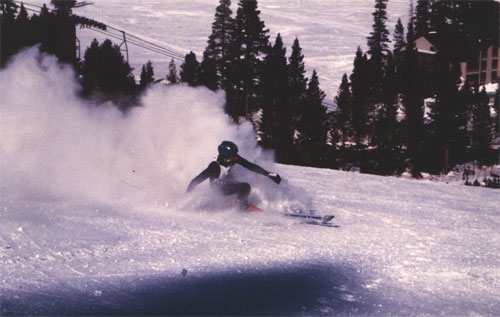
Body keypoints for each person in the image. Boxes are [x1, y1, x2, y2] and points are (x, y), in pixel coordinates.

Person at [187, 141, 281, 210]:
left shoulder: (233, 158)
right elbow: (198, 179)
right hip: (218, 188)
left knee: (236, 179)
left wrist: (268, 174)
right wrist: (186, 196)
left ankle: (236, 203)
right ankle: (241, 206)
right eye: (232, 155)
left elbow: (250, 166)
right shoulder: (214, 166)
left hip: (226, 181)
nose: (235, 157)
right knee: (245, 187)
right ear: (225, 157)